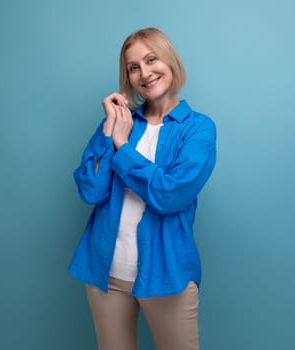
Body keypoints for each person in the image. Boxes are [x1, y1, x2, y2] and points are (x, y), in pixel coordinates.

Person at [69, 27, 216, 350]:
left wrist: (122, 148)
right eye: (134, 67)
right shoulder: (118, 123)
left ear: (170, 62)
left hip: (167, 273)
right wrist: (110, 130)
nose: (145, 73)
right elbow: (91, 191)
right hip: (106, 272)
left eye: (151, 60)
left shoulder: (199, 128)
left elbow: (169, 194)